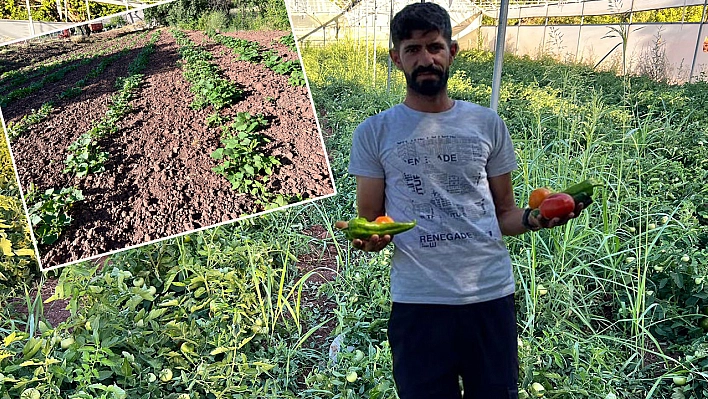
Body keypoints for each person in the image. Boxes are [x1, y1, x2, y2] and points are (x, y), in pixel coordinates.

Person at [334, 3, 590, 399]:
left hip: (489, 295)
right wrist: (369, 239)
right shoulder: (374, 133)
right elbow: (369, 220)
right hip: (419, 301)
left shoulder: (486, 123)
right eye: (412, 50)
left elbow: (504, 213)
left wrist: (536, 219)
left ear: (452, 51)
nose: (425, 59)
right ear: (396, 59)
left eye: (434, 47)